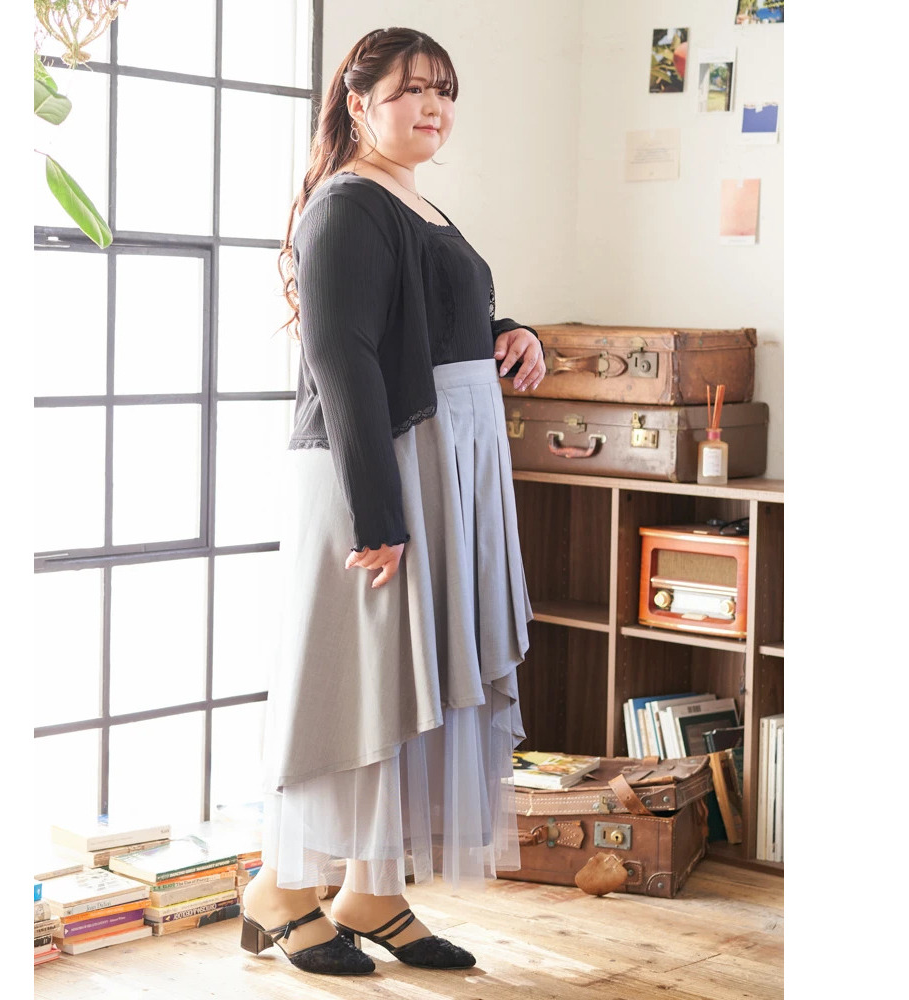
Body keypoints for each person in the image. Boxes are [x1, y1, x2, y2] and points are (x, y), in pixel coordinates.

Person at [240, 26, 545, 977]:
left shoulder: (417, 203)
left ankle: (371, 890)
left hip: (445, 462)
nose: (432, 107)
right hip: (381, 467)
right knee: (355, 683)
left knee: (412, 682)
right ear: (359, 101)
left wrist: (512, 332)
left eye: (444, 90)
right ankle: (280, 887)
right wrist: (378, 515)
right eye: (411, 89)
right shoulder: (345, 204)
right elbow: (341, 357)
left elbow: (431, 315)